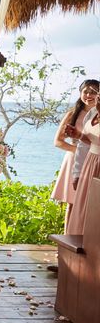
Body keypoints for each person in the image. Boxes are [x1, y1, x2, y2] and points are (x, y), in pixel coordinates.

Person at [51, 80, 99, 224]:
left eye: (93, 92)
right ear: (80, 93)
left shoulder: (97, 115)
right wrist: (79, 149)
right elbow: (58, 141)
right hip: (74, 160)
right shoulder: (72, 114)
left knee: (91, 204)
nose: (89, 95)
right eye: (85, 91)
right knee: (72, 203)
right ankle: (68, 240)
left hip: (94, 160)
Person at [65, 93, 100, 235]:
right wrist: (78, 135)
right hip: (90, 163)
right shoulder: (93, 113)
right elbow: (88, 142)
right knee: (83, 208)